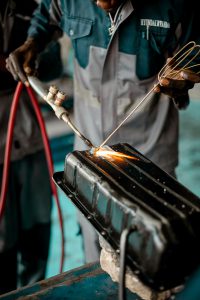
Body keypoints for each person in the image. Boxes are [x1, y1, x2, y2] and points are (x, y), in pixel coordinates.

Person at [6, 0, 200, 264]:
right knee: (94, 251)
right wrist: (32, 44)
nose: (101, 2)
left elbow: (195, 51)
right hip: (89, 152)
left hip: (151, 155)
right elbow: (46, 16)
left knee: (152, 255)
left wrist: (185, 76)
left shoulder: (173, 5)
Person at [0, 0, 62, 294]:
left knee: (37, 236)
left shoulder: (28, 7)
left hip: (30, 138)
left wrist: (35, 54)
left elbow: (54, 66)